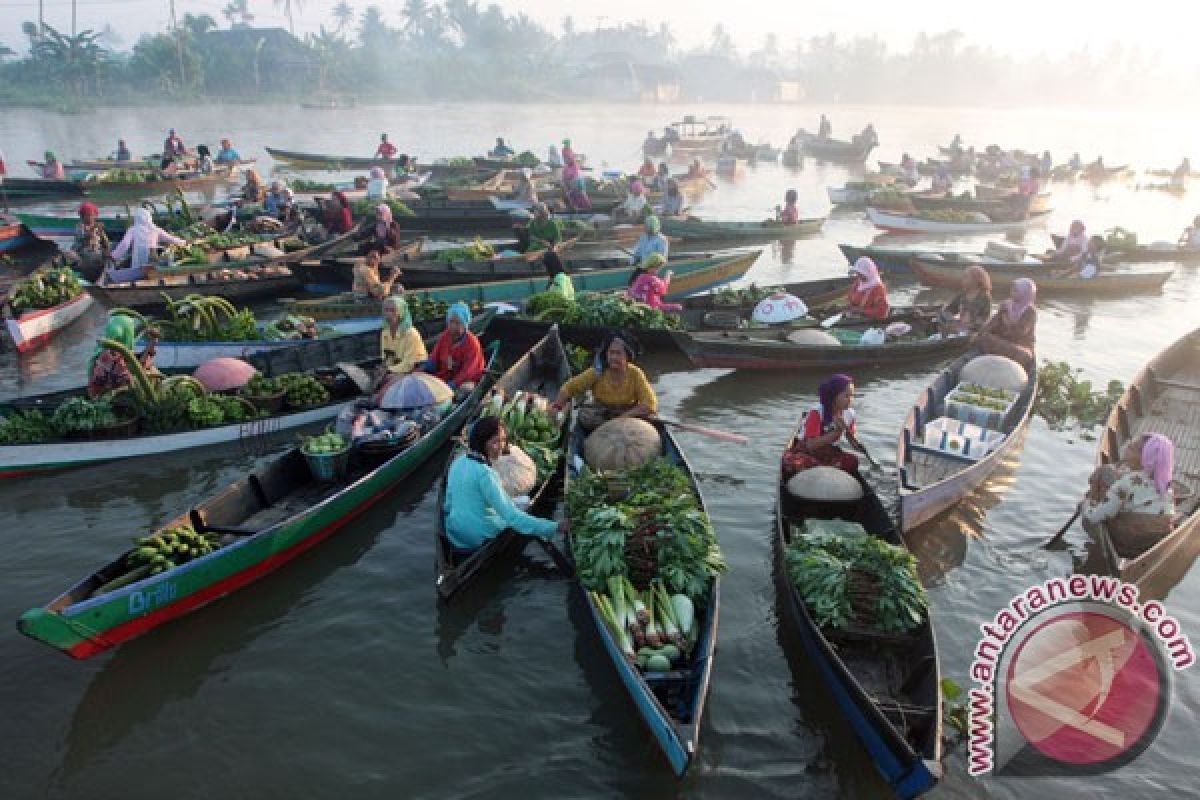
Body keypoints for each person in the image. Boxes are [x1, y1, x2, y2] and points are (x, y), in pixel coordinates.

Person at [443, 415, 565, 553]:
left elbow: (447, 505)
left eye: (503, 440)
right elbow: (513, 517)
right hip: (476, 539)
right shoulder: (485, 474)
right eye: (495, 442)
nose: (501, 446)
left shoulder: (458, 462)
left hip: (454, 534)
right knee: (524, 502)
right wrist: (555, 527)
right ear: (482, 443)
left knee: (506, 505)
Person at [1084, 433, 1176, 547]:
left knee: (1090, 511)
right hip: (1159, 538)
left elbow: (1095, 517)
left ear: (1145, 458)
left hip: (1131, 540)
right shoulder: (1166, 485)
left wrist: (1087, 504)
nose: (1126, 448)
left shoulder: (1127, 482)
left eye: (1132, 448)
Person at [552, 332, 657, 430]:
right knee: (584, 416)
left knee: (650, 417)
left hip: (627, 413)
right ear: (606, 354)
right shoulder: (597, 372)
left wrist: (623, 417)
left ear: (627, 356)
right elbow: (569, 388)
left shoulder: (636, 373)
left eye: (618, 353)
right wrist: (556, 407)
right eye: (611, 353)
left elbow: (649, 404)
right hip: (602, 413)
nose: (613, 357)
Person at [782, 373, 861, 475]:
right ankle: (825, 468)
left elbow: (853, 441)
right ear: (834, 396)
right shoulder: (817, 413)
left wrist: (856, 443)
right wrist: (837, 432)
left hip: (828, 451)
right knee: (794, 462)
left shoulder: (849, 414)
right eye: (846, 396)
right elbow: (810, 445)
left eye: (852, 396)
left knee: (853, 461)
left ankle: (823, 468)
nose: (850, 400)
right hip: (807, 450)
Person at [87, 315, 157, 399]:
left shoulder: (116, 350)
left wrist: (153, 341)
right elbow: (130, 380)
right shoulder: (110, 356)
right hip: (110, 399)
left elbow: (138, 361)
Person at [419, 302, 485, 390]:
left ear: (465, 324)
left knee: (464, 389)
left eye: (458, 323)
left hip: (467, 379)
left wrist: (451, 384)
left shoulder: (472, 344)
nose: (453, 326)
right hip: (446, 375)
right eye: (451, 322)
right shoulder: (445, 336)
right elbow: (434, 357)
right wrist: (422, 369)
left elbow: (467, 372)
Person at [109, 207, 186, 278]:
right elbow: (172, 239)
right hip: (152, 258)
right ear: (149, 218)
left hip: (138, 259)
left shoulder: (133, 230)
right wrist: (185, 242)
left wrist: (113, 256)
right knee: (152, 269)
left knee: (137, 270)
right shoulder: (155, 229)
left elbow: (124, 245)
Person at [979, 278, 1037, 366]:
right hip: (1002, 341)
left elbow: (1020, 332)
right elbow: (993, 322)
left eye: (1016, 291)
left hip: (1019, 345)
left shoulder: (1030, 311)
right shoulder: (1006, 305)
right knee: (984, 337)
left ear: (1025, 293)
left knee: (1025, 355)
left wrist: (1008, 322)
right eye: (1012, 290)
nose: (1012, 293)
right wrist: (983, 331)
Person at [376, 294, 427, 384]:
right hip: (398, 366)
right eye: (386, 310)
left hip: (416, 368)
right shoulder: (385, 332)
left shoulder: (411, 333)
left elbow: (409, 364)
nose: (388, 314)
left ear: (401, 313)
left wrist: (389, 370)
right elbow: (387, 357)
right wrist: (384, 369)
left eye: (393, 311)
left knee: (390, 380)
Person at [939, 265, 992, 333]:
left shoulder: (985, 297)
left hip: (973, 331)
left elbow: (983, 320)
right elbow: (949, 310)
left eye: (966, 277)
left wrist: (966, 326)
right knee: (940, 314)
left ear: (976, 279)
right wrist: (951, 321)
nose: (963, 279)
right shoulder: (962, 295)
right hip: (959, 327)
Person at [70, 202, 111, 278]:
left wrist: (107, 250)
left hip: (97, 252)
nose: (90, 217)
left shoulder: (98, 227)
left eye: (92, 215)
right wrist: (91, 231)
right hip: (81, 251)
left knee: (105, 255)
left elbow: (105, 241)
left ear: (95, 216)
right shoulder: (80, 226)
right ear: (82, 216)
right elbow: (82, 237)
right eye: (87, 215)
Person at [845, 257, 889, 321]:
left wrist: (860, 311)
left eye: (861, 273)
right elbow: (850, 297)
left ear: (868, 272)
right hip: (854, 317)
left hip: (869, 321)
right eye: (858, 273)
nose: (858, 276)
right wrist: (848, 305)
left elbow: (882, 313)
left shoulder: (878, 288)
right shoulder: (858, 283)